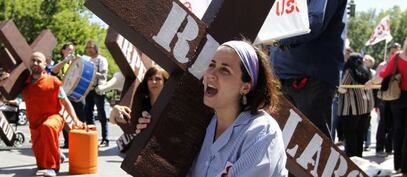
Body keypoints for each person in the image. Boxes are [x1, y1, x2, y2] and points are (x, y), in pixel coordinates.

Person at [114, 40, 288, 176]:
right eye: (211, 65)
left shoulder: (262, 132)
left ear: (245, 86)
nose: (211, 74)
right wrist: (152, 132)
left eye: (224, 70)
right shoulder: (205, 126)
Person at [270, 0, 347, 138]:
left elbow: (314, 21)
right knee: (282, 143)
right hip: (282, 75)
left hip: (311, 77)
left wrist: (274, 38)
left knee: (314, 147)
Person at [0, 52, 82, 177]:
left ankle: (53, 167)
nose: (35, 63)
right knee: (40, 162)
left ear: (45, 64)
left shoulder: (53, 81)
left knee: (47, 127)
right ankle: (57, 155)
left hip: (54, 118)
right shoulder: (24, 85)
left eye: (39, 61)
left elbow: (66, 103)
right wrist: (3, 82)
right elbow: (6, 98)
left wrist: (75, 120)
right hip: (35, 123)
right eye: (33, 60)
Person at [366, 28, 407, 175]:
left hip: (397, 98)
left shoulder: (398, 57)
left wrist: (370, 82)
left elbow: (383, 74)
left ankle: (398, 164)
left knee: (398, 130)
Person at [109, 65, 168, 152]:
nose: (154, 81)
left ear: (165, 82)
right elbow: (116, 122)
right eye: (150, 79)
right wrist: (114, 111)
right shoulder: (141, 103)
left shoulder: (171, 102)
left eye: (158, 79)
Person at [337, 53, 374, 157]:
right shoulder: (367, 71)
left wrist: (337, 89)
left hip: (350, 109)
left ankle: (351, 159)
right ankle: (359, 157)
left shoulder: (350, 71)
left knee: (350, 135)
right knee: (360, 135)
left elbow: (343, 89)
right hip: (365, 108)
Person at [51, 42, 86, 149]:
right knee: (66, 118)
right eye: (69, 49)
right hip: (65, 95)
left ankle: (82, 138)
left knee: (80, 116)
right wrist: (65, 61)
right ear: (63, 51)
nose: (71, 52)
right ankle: (68, 141)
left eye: (73, 50)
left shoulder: (76, 63)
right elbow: (53, 71)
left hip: (77, 94)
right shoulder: (60, 63)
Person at [375, 43, 401, 156]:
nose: (394, 55)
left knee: (395, 124)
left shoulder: (401, 65)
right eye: (392, 53)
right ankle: (379, 148)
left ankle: (389, 148)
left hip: (396, 98)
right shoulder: (383, 65)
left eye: (397, 52)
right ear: (389, 53)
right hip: (384, 99)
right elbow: (376, 80)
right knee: (383, 123)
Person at [83, 40, 109, 147]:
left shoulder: (102, 60)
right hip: (89, 90)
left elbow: (103, 75)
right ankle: (93, 137)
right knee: (88, 113)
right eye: (87, 47)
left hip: (98, 90)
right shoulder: (87, 60)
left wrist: (92, 71)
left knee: (101, 114)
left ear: (96, 48)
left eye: (91, 47)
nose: (88, 49)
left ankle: (105, 138)